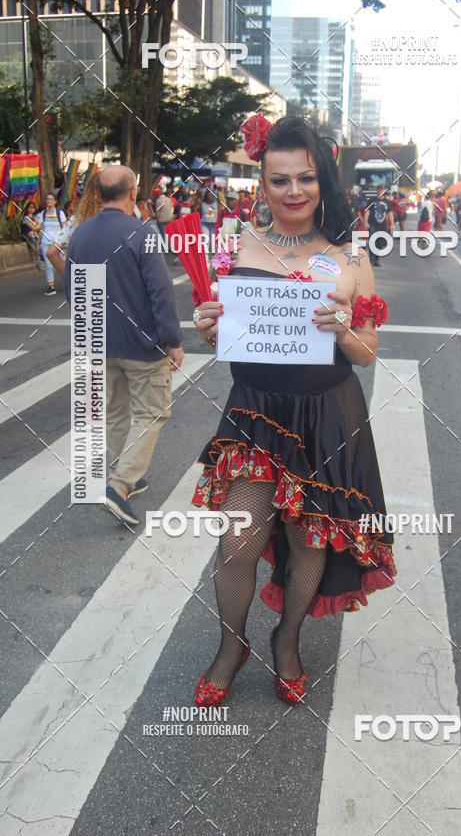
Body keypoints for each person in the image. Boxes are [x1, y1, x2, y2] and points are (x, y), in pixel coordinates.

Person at [191, 115, 395, 707]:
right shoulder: (237, 244)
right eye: (279, 180)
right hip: (255, 415)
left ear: (322, 179)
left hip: (325, 417)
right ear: (263, 183)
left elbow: (366, 352)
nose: (293, 191)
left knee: (310, 543)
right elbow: (221, 329)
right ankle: (231, 646)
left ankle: (287, 639)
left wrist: (342, 329)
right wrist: (207, 325)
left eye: (305, 178)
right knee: (237, 544)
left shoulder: (348, 256)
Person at [65, 166, 184, 526]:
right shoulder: (141, 232)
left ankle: (125, 472)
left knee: (116, 412)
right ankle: (120, 485)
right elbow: (160, 291)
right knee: (152, 413)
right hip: (142, 344)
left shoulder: (80, 234)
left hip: (99, 342)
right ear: (133, 192)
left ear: (99, 193)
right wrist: (173, 339)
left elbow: (74, 292)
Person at [46, 174, 103, 279]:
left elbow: (51, 252)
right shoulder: (120, 220)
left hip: (87, 277)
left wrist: (69, 277)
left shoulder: (78, 219)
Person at [36, 193, 67, 295]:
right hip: (45, 242)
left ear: (55, 201)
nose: (49, 201)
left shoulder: (60, 213)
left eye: (51, 199)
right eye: (47, 199)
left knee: (61, 263)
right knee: (49, 265)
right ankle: (51, 287)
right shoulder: (43, 214)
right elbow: (41, 229)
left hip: (58, 242)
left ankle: (67, 282)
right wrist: (38, 244)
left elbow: (65, 228)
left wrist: (65, 242)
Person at [366, 184, 393, 266]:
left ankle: (376, 259)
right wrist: (365, 222)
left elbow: (390, 213)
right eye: (379, 189)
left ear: (384, 190)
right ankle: (371, 259)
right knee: (372, 241)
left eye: (382, 189)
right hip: (373, 224)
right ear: (377, 190)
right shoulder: (372, 200)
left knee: (380, 243)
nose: (380, 191)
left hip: (383, 226)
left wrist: (392, 223)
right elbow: (367, 211)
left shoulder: (387, 202)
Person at [20, 202, 44, 270]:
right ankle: (40, 261)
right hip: (28, 235)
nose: (32, 208)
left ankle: (43, 260)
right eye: (30, 207)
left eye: (33, 207)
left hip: (35, 234)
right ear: (27, 208)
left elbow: (40, 227)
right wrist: (36, 230)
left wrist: (36, 230)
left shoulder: (35, 217)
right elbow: (35, 228)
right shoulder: (26, 218)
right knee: (36, 243)